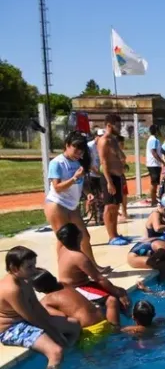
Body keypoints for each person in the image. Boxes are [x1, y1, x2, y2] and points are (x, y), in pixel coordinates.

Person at [0, 247, 80, 369]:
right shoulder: (12, 289)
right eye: (29, 267)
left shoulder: (25, 280)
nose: (34, 270)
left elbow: (36, 307)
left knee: (74, 325)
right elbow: (30, 317)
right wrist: (54, 332)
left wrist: (51, 321)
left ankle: (69, 357)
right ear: (14, 268)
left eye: (34, 265)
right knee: (55, 351)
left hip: (25, 319)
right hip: (10, 328)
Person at [44, 131, 111, 272]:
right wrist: (74, 178)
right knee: (64, 240)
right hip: (57, 205)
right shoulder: (57, 163)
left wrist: (88, 193)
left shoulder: (78, 162)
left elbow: (82, 183)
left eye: (81, 150)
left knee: (84, 236)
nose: (79, 153)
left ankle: (92, 267)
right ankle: (64, 271)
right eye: (76, 149)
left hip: (72, 206)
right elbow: (57, 188)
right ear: (67, 145)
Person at [32, 269, 119, 348]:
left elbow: (62, 317)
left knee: (90, 358)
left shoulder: (45, 302)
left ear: (37, 290)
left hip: (90, 331)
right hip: (104, 323)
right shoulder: (65, 284)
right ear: (54, 278)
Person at [55, 223, 130, 311]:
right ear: (79, 236)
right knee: (112, 300)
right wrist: (118, 293)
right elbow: (99, 279)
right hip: (75, 288)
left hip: (70, 285)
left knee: (120, 291)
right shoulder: (79, 257)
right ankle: (117, 320)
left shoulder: (62, 249)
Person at [98, 114, 129, 246]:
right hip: (109, 177)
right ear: (109, 125)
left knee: (115, 207)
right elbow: (104, 162)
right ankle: (111, 237)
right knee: (109, 207)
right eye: (118, 125)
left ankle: (115, 234)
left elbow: (120, 156)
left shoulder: (113, 140)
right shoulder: (104, 141)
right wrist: (109, 182)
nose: (120, 128)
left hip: (117, 176)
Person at [146, 124, 165, 208]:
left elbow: (161, 150)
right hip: (153, 164)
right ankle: (153, 201)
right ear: (156, 131)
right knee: (154, 183)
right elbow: (153, 152)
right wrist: (162, 161)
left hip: (156, 164)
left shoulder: (156, 140)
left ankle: (154, 199)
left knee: (155, 183)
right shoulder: (153, 140)